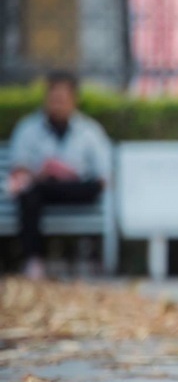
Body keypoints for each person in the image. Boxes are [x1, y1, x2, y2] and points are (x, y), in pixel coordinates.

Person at [5, 71, 112, 280]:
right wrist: (41, 172)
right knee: (30, 194)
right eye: (53, 99)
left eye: (62, 99)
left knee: (89, 187)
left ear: (74, 100)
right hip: (42, 189)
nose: (57, 104)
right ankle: (34, 261)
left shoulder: (89, 131)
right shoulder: (28, 129)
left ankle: (91, 260)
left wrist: (70, 173)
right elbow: (18, 170)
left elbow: (103, 175)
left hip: (76, 190)